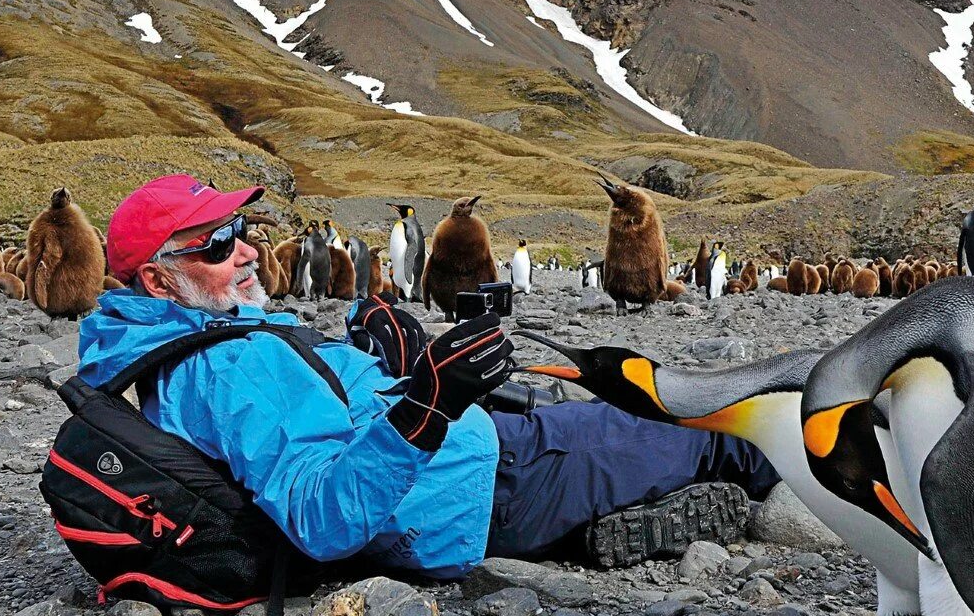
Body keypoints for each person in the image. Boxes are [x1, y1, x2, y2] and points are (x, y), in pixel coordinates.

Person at [76, 175, 778, 580]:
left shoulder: (195, 342)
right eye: (219, 244)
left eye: (241, 229)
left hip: (463, 465)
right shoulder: (224, 370)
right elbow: (323, 517)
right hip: (484, 485)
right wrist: (427, 407)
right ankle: (839, 487)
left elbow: (319, 422)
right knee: (705, 421)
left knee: (588, 407)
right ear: (157, 279)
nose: (249, 252)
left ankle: (614, 517)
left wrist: (396, 365)